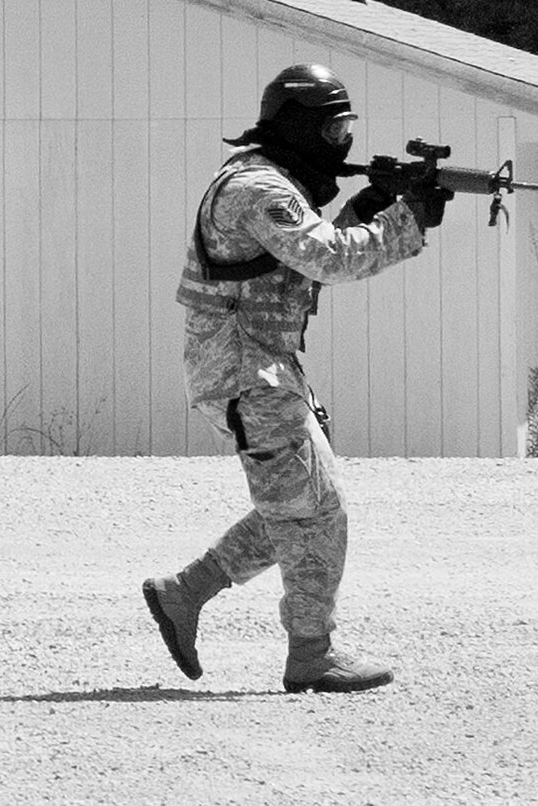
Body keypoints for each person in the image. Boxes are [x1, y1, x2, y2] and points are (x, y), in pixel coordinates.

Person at [142, 63, 449, 694]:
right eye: (334, 129)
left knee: (298, 504)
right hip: (244, 371)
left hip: (258, 368)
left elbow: (303, 252)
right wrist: (405, 219)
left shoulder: (273, 185)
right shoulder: (259, 189)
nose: (342, 145)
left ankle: (185, 593)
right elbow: (328, 256)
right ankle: (311, 652)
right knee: (319, 510)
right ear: (303, 127)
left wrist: (369, 205)